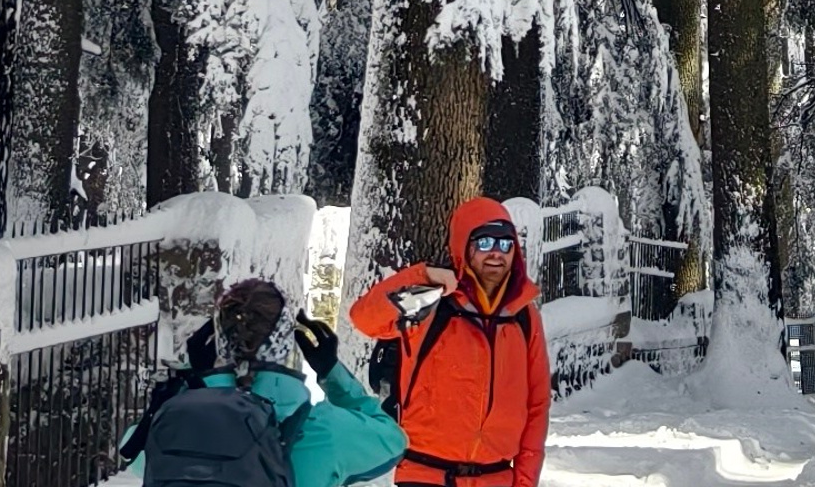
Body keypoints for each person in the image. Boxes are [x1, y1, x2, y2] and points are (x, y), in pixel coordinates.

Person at [124, 277, 407, 487]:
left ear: (218, 341)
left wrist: (196, 380)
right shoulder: (324, 430)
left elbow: (133, 450)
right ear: (285, 344)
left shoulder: (180, 424)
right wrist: (331, 371)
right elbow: (393, 441)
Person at [348, 197, 552, 487]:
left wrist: (524, 480)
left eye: (505, 244)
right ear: (463, 246)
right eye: (484, 243)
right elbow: (364, 318)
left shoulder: (524, 316)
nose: (496, 253)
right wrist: (424, 275)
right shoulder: (432, 300)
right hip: (425, 475)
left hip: (495, 478)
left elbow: (537, 403)